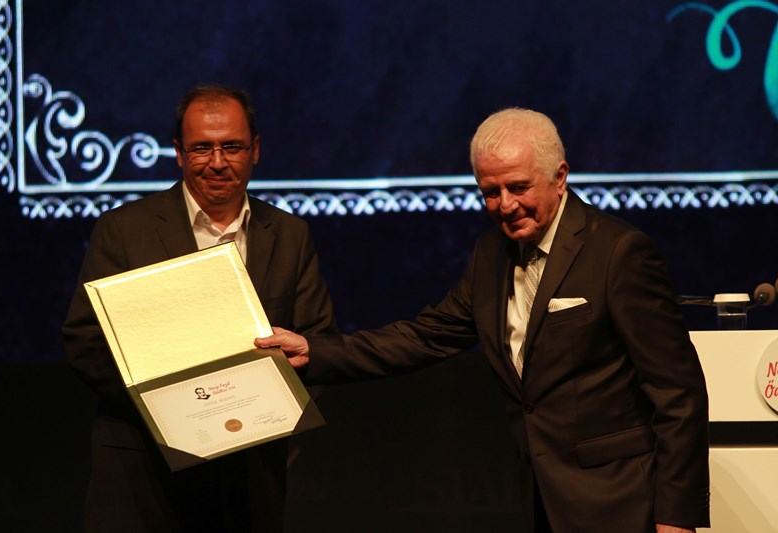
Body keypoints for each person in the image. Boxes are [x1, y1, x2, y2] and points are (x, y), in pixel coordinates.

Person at [256, 108, 710, 532]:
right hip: (537, 499)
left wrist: (675, 515)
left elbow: (678, 391)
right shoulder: (491, 253)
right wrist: (314, 350)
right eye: (491, 192)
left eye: (518, 187)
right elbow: (425, 336)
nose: (505, 205)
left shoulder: (618, 252)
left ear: (560, 177)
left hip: (621, 501)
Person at [63, 84, 337, 532]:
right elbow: (86, 342)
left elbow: (318, 342)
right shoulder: (123, 230)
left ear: (255, 150)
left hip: (249, 473)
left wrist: (270, 418)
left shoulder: (289, 234)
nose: (217, 162)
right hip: (143, 471)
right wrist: (175, 416)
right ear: (178, 152)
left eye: (232, 146)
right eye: (201, 148)